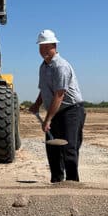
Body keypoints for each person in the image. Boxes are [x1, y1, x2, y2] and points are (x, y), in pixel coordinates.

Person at [29, 29, 86, 183]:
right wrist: (36, 104)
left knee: (68, 148)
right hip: (55, 111)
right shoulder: (43, 67)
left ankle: (72, 183)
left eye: (47, 46)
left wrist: (48, 120)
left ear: (55, 46)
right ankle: (56, 182)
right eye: (41, 47)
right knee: (52, 148)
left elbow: (59, 95)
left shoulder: (61, 66)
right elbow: (44, 90)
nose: (44, 50)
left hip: (71, 110)